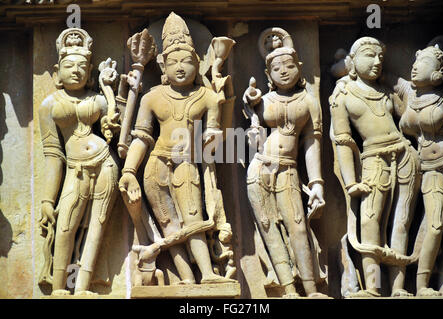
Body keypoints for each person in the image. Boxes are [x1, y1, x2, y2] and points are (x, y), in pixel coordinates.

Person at [118, 12, 234, 285]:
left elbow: (217, 136)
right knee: (169, 224)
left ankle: (206, 274)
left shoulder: (207, 97)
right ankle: (186, 279)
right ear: (162, 66)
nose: (180, 67)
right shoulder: (152, 97)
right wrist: (129, 171)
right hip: (156, 164)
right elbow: (142, 138)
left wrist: (212, 138)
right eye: (173, 61)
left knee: (193, 219)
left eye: (186, 61)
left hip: (187, 163)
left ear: (197, 62)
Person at [330, 37, 420, 297]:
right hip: (373, 158)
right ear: (352, 61)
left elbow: (407, 121)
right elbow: (343, 140)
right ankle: (372, 287)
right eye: (370, 55)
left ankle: (399, 287)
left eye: (381, 56)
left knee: (402, 220)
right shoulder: (342, 93)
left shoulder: (385, 90)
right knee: (370, 219)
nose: (377, 61)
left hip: (405, 155)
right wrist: (350, 182)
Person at [243, 28, 327, 298]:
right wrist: (251, 109)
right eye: (276, 68)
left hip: (289, 170)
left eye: (289, 66)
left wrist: (316, 184)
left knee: (298, 227)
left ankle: (311, 288)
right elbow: (253, 134)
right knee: (269, 228)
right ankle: (288, 290)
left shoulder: (308, 101)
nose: (283, 71)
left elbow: (312, 144)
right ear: (268, 75)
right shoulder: (263, 100)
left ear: (300, 69)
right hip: (261, 168)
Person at [38, 28, 120, 295]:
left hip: (105, 164)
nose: (76, 70)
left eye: (82, 66)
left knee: (97, 228)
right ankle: (60, 288)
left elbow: (112, 125)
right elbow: (53, 155)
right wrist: (48, 200)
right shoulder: (49, 106)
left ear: (91, 70)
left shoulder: (96, 98)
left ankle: (84, 288)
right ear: (56, 71)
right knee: (65, 227)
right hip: (75, 168)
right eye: (69, 65)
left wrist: (108, 88)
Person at [390, 45, 443, 296]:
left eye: (423, 63)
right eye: (414, 61)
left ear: (439, 73)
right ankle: (422, 284)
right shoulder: (410, 93)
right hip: (431, 168)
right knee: (434, 225)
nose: (415, 66)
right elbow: (385, 77)